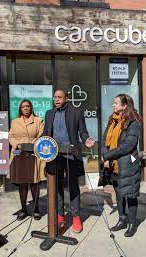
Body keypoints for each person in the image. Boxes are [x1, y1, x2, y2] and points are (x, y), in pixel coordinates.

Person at [43, 89, 95, 233]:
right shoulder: (49, 114)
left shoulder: (76, 112)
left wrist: (86, 140)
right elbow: (46, 133)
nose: (57, 100)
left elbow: (83, 131)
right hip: (54, 156)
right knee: (57, 187)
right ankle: (60, 216)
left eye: (60, 97)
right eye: (55, 97)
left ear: (66, 98)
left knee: (73, 186)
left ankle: (76, 216)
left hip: (71, 155)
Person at [102, 93, 142, 237]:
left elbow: (128, 145)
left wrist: (108, 155)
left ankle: (132, 224)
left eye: (116, 103)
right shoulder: (112, 119)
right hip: (114, 163)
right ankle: (122, 219)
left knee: (130, 194)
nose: (113, 105)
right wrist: (105, 156)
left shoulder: (133, 122)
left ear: (125, 106)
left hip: (128, 164)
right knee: (118, 193)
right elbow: (104, 139)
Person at [9, 99, 46, 221]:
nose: (25, 108)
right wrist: (18, 145)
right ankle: (24, 209)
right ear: (20, 109)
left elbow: (42, 135)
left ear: (31, 108)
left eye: (28, 106)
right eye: (23, 106)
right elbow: (11, 136)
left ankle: (36, 209)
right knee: (22, 183)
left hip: (33, 153)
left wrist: (31, 145)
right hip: (19, 154)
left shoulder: (38, 120)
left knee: (34, 183)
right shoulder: (14, 122)